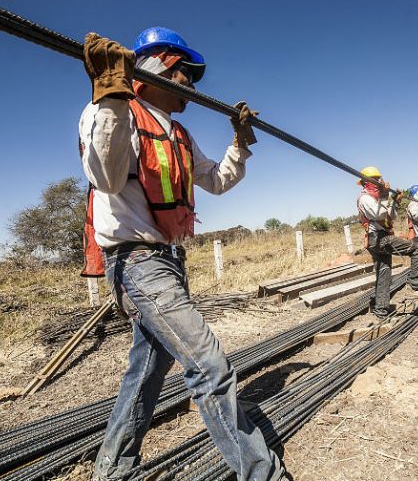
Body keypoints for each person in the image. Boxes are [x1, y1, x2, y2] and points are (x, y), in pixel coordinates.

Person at [77, 27, 286, 481]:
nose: (191, 86)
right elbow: (106, 178)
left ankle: (112, 469)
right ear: (156, 71)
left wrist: (241, 143)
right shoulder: (114, 110)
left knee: (147, 373)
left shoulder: (178, 134)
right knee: (209, 365)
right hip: (136, 263)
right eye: (184, 74)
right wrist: (110, 97)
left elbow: (217, 181)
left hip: (167, 262)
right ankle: (261, 474)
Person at [356, 167, 418, 318]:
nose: (380, 182)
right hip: (378, 238)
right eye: (377, 180)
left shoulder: (376, 198)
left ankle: (381, 309)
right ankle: (415, 287)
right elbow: (378, 213)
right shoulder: (365, 198)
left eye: (380, 179)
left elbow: (390, 216)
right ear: (367, 183)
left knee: (384, 274)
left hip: (380, 238)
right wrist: (385, 195)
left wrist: (395, 202)